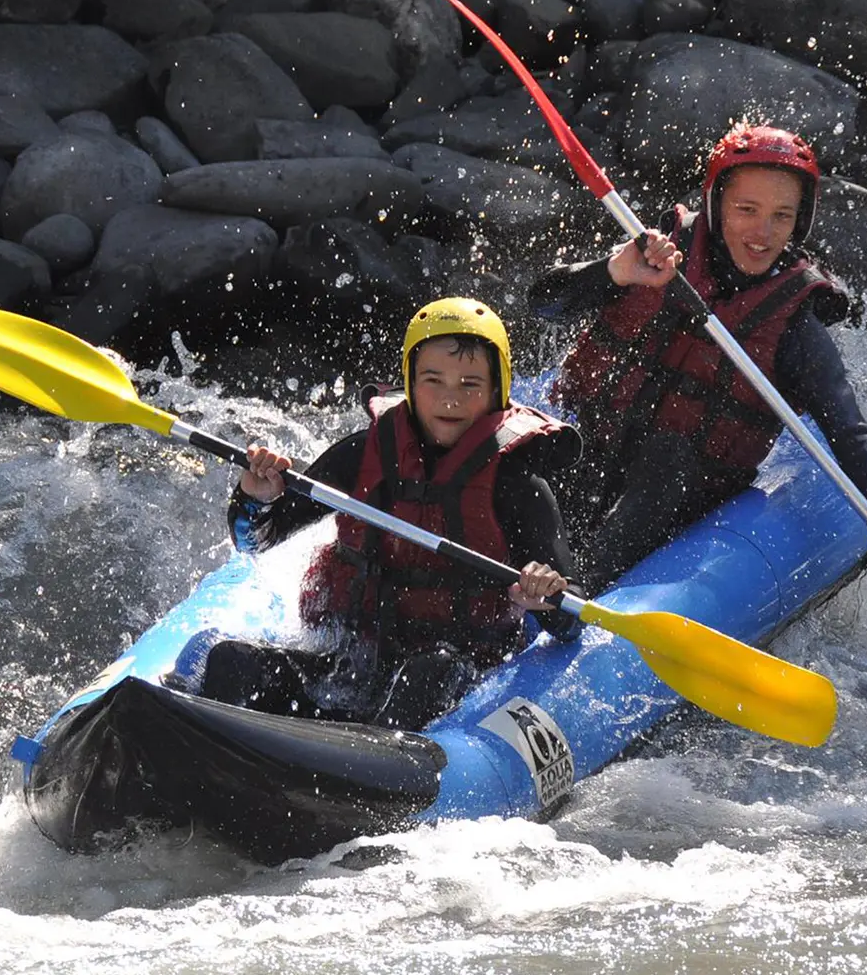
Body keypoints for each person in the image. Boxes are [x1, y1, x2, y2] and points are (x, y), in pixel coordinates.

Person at [530, 122, 867, 593]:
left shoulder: (794, 326)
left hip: (684, 494)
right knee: (537, 451)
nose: (763, 233)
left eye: (782, 216)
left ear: (799, 222)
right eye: (747, 209)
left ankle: (580, 589)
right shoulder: (654, 256)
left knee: (668, 457)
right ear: (716, 205)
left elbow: (851, 431)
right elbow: (542, 302)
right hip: (596, 452)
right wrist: (614, 273)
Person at [195, 297, 585, 729]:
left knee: (428, 673)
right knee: (230, 662)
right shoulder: (366, 452)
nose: (450, 399)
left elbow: (571, 621)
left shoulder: (516, 481)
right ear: (410, 383)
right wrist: (257, 496)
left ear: (497, 392)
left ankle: (361, 778)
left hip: (462, 671)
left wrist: (543, 595)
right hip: (354, 656)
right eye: (433, 380)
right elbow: (255, 541)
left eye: (469, 385)